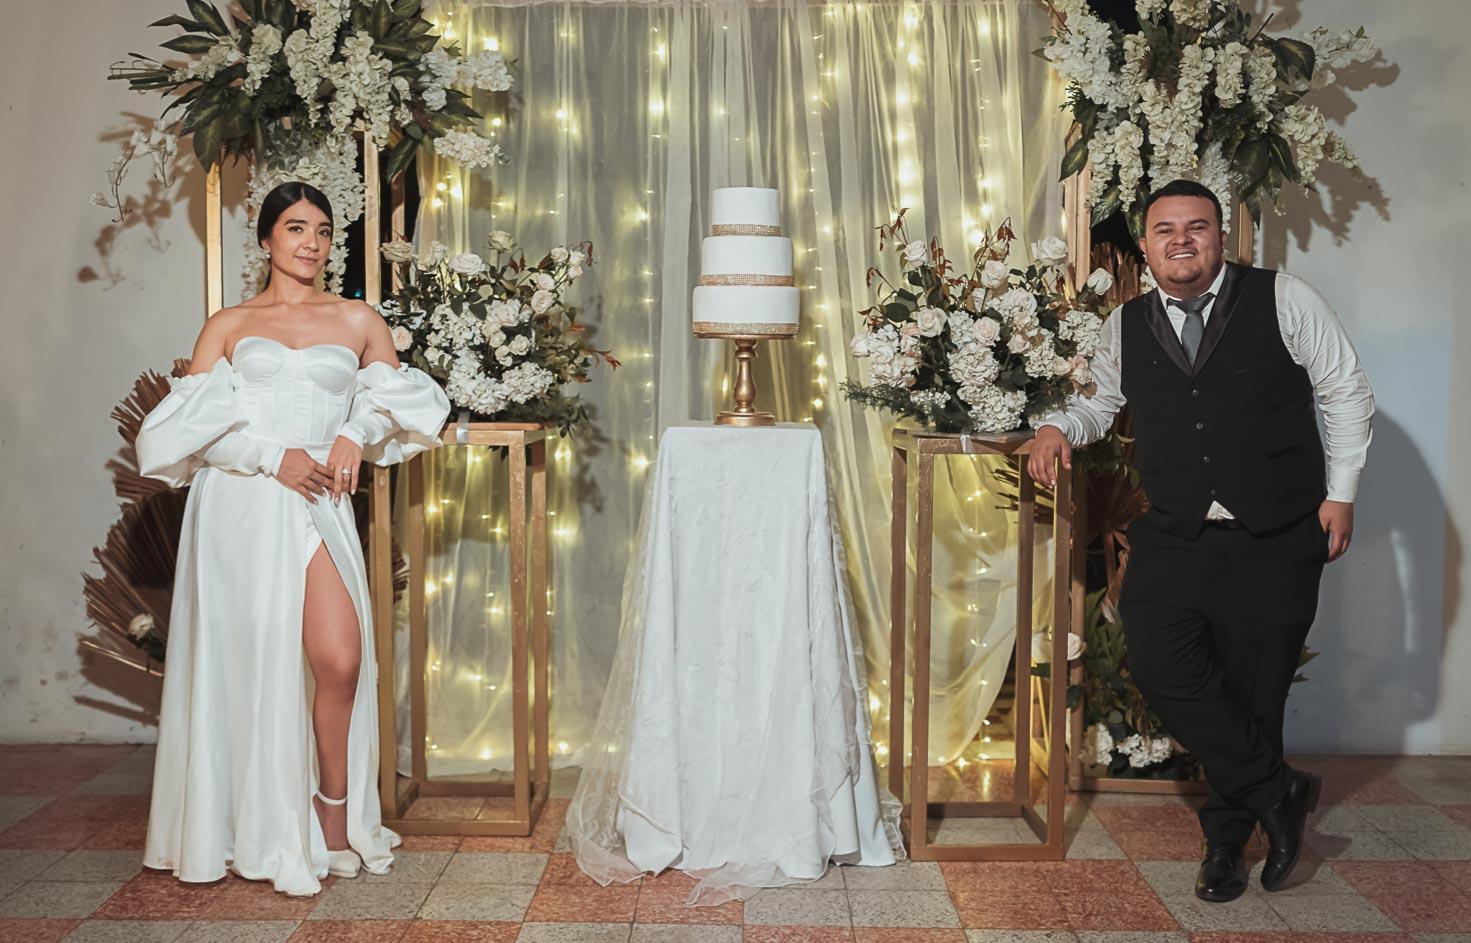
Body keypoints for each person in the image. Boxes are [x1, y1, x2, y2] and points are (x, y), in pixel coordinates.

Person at [1029, 179, 1374, 903]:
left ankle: (1224, 845)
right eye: (1165, 230)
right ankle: (1279, 790)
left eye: (1196, 227)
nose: (1180, 240)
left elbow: (1343, 388)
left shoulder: (1285, 298)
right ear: (1146, 246)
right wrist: (1060, 424)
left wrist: (1340, 492)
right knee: (1161, 664)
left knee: (1254, 694)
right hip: (1178, 528)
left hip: (1277, 532)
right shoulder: (1123, 323)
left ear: (1221, 237)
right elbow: (1100, 401)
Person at [135, 181, 451, 897]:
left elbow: (405, 405)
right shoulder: (228, 324)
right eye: (296, 228)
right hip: (241, 504)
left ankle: (332, 811)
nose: (311, 242)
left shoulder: (358, 318)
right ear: (267, 239)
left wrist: (354, 431)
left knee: (339, 660)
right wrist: (268, 455)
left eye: (323, 230)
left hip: (319, 504)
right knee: (249, 667)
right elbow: (175, 435)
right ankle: (252, 825)